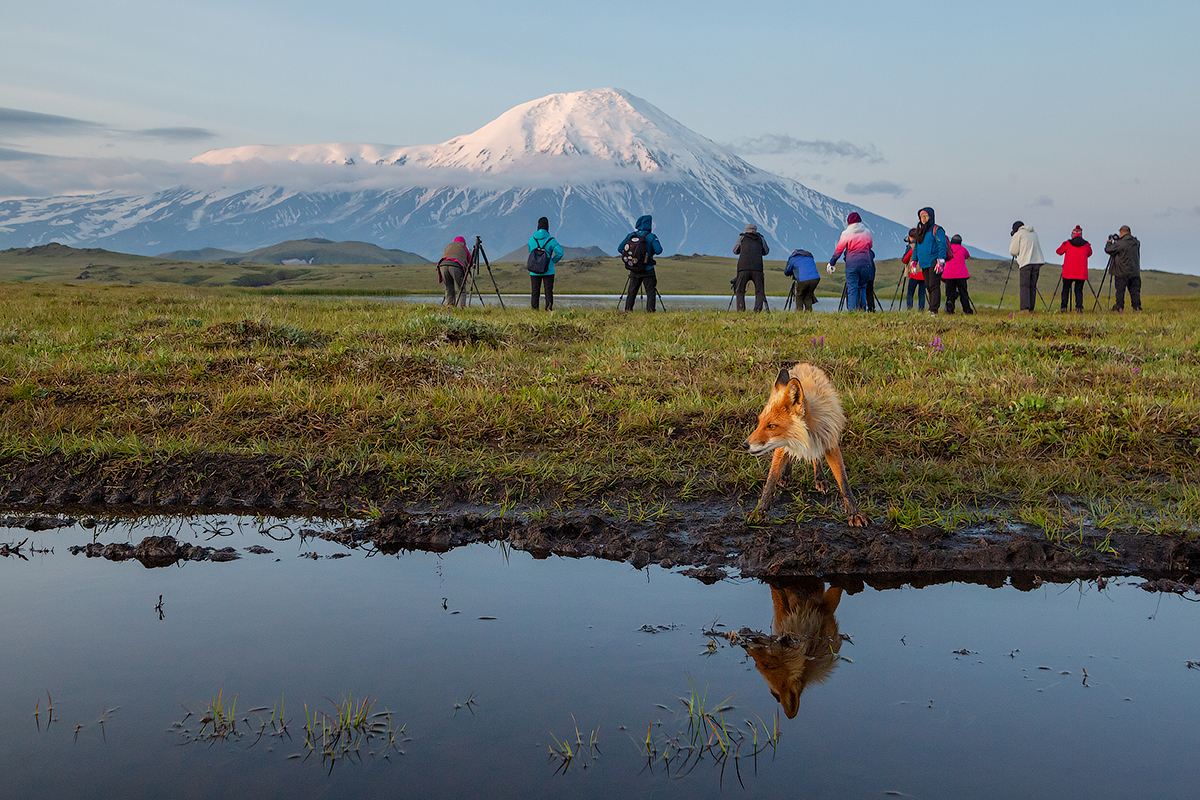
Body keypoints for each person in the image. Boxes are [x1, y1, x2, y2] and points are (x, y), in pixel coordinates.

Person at [827, 212, 874, 311]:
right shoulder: (867, 232)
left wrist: (832, 262)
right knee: (863, 287)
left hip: (852, 264)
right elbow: (870, 245)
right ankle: (862, 310)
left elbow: (839, 250)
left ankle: (853, 312)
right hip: (866, 263)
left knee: (852, 289)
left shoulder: (846, 234)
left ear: (849, 223)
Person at [616, 214, 664, 312]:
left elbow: (620, 248)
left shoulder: (631, 235)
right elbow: (659, 250)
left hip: (634, 268)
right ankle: (650, 312)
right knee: (650, 292)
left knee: (632, 291)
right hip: (648, 269)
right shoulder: (651, 237)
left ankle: (628, 311)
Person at [912, 207, 950, 315]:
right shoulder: (920, 231)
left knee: (934, 285)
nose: (923, 219)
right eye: (921, 217)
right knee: (928, 285)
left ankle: (933, 310)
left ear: (930, 217)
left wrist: (941, 261)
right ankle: (932, 308)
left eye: (925, 216)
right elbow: (916, 247)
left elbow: (942, 245)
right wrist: (914, 261)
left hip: (934, 261)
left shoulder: (937, 230)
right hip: (924, 263)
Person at [527, 216, 564, 311]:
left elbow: (530, 250)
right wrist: (552, 261)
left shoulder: (532, 239)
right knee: (548, 292)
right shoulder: (551, 240)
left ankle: (534, 311)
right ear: (547, 227)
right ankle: (548, 310)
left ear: (538, 226)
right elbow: (560, 252)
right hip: (548, 270)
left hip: (534, 270)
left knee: (535, 292)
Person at [1009, 220, 1045, 313]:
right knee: (1032, 286)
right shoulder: (1033, 233)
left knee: (1024, 285)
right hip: (1037, 262)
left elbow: (1013, 251)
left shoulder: (1019, 234)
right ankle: (1031, 308)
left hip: (1026, 262)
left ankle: (1025, 309)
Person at [733, 223, 770, 312]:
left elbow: (735, 251)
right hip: (757, 268)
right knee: (759, 291)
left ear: (746, 230)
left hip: (743, 267)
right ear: (755, 230)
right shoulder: (761, 238)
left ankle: (741, 310)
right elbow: (766, 251)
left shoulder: (742, 237)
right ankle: (757, 310)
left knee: (740, 290)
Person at [1055, 226, 1092, 313]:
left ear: (1073, 234)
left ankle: (1063, 308)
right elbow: (1089, 253)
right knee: (1078, 290)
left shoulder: (1067, 243)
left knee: (1065, 289)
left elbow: (1059, 251)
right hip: (1081, 272)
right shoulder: (1086, 245)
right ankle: (1079, 308)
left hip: (1068, 271)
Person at [1104, 225, 1142, 311]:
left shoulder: (1120, 244)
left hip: (1121, 272)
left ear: (1121, 232)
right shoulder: (1136, 242)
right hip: (1134, 271)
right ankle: (1137, 307)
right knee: (1135, 291)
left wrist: (1109, 242)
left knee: (1120, 291)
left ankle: (1119, 307)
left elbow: (1108, 250)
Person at [437, 235, 474, 308]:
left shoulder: (449, 246)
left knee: (449, 287)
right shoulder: (463, 247)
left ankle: (449, 307)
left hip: (442, 265)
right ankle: (460, 308)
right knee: (461, 288)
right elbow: (471, 262)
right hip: (456, 266)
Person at [941, 234, 973, 314]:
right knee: (963, 293)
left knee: (949, 294)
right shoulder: (963, 249)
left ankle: (949, 310)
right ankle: (967, 310)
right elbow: (967, 256)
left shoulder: (948, 249)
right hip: (961, 275)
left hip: (948, 275)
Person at [902, 228, 926, 311]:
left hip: (914, 274)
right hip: (923, 273)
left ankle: (909, 309)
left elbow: (904, 260)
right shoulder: (923, 246)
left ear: (911, 237)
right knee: (922, 294)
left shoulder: (911, 247)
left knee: (910, 293)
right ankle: (921, 310)